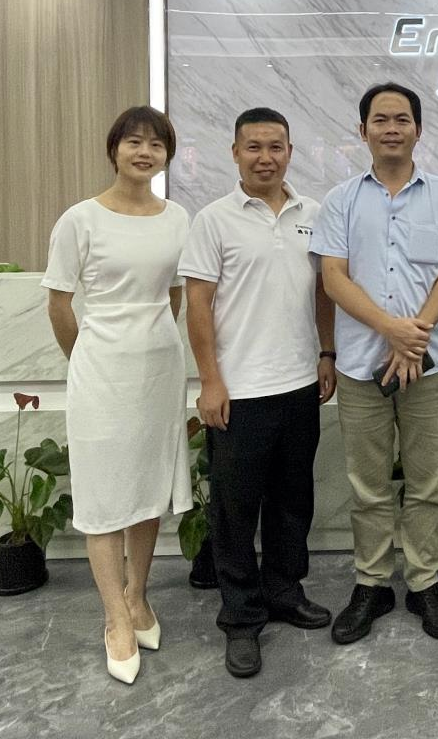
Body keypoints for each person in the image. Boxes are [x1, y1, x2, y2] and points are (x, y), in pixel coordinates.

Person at [178, 107, 336, 678]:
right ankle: (241, 618)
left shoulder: (313, 214)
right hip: (239, 391)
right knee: (235, 510)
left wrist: (326, 353)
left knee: (293, 501)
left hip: (299, 384)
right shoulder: (213, 220)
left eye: (275, 147)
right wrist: (210, 380)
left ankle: (284, 592)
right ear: (235, 153)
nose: (265, 158)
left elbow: (323, 291)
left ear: (290, 152)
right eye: (253, 147)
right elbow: (198, 304)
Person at [311, 82, 438, 644]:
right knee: (368, 484)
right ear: (363, 131)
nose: (392, 128)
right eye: (381, 120)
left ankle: (425, 583)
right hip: (360, 366)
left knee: (426, 481)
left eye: (403, 119)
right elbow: (333, 278)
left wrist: (412, 338)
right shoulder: (341, 200)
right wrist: (391, 330)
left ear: (418, 130)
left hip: (427, 363)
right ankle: (372, 583)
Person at [43, 106, 192, 685]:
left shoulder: (177, 218)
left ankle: (138, 595)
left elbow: (174, 295)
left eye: (156, 144)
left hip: (158, 369)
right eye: (134, 142)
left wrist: (150, 340)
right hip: (101, 370)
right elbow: (60, 304)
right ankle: (114, 618)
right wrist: (87, 356)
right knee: (105, 494)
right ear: (114, 150)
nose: (144, 152)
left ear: (166, 156)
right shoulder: (80, 219)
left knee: (147, 487)